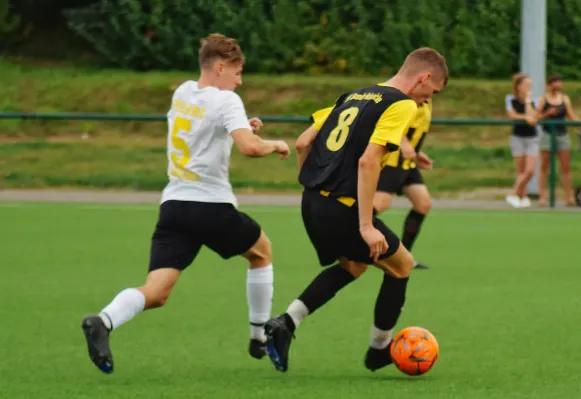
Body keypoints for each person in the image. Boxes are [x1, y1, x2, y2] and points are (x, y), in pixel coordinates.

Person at [80, 33, 290, 374]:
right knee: (261, 252)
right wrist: (276, 143)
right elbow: (250, 148)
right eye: (237, 72)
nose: (240, 80)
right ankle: (258, 336)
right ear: (220, 66)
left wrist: (238, 128)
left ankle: (103, 320)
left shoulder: (183, 92)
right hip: (210, 205)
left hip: (174, 206)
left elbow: (201, 130)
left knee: (157, 291)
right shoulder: (227, 102)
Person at [262, 48, 449, 373]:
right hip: (343, 209)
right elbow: (368, 160)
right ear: (424, 77)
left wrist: (312, 184)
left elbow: (303, 142)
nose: (425, 103)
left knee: (353, 265)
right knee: (401, 266)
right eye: (430, 94)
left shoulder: (354, 95)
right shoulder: (401, 103)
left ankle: (286, 322)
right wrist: (366, 224)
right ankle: (379, 350)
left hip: (313, 203)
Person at [373, 100, 434, 269]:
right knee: (379, 205)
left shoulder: (426, 101)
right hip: (392, 160)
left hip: (408, 163)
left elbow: (412, 131)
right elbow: (393, 124)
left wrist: (416, 151)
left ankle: (403, 255)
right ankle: (349, 245)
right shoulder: (407, 100)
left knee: (423, 204)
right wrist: (405, 145)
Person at [537, 75, 580, 206]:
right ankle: (542, 197)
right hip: (548, 134)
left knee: (565, 167)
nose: (558, 84)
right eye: (556, 82)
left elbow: (571, 114)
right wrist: (547, 114)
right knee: (544, 166)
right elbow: (537, 117)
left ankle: (569, 197)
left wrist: (580, 123)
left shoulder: (564, 99)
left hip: (562, 134)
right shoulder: (543, 99)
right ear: (550, 85)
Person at [504, 73, 539, 208]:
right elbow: (512, 115)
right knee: (520, 170)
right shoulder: (510, 99)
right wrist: (525, 118)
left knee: (530, 170)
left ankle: (513, 193)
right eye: (526, 85)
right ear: (519, 86)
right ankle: (522, 197)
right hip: (517, 137)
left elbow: (533, 117)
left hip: (532, 137)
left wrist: (528, 100)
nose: (528, 87)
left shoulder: (534, 100)